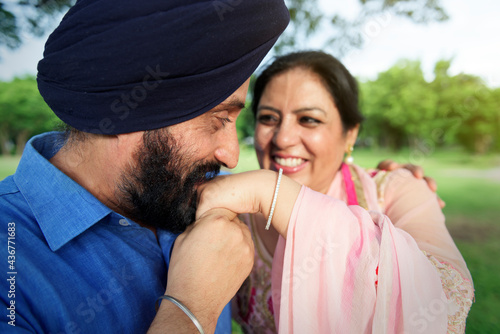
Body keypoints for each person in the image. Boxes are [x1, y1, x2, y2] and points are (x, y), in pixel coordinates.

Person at [0, 0, 290, 333]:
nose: (232, 156)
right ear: (131, 112)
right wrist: (192, 309)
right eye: (219, 119)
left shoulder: (186, 191)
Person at [198, 51, 474, 333]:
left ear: (350, 134)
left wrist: (272, 194)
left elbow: (448, 306)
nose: (283, 138)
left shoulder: (391, 192)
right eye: (268, 118)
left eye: (309, 120)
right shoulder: (232, 213)